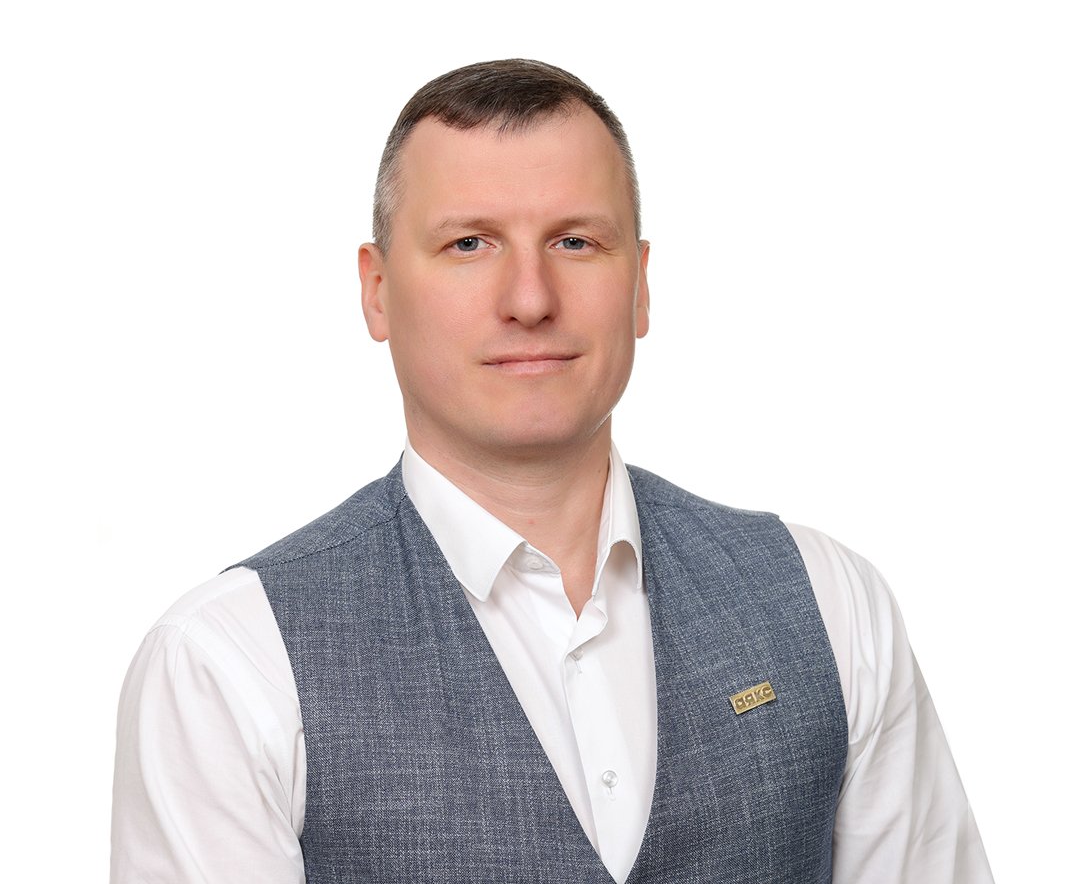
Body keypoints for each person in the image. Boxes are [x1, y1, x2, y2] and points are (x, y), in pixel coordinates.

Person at [111, 59, 994, 883]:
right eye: (470, 244)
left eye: (575, 242)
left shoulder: (829, 602)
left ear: (640, 284)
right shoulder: (227, 663)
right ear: (377, 291)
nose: (530, 299)